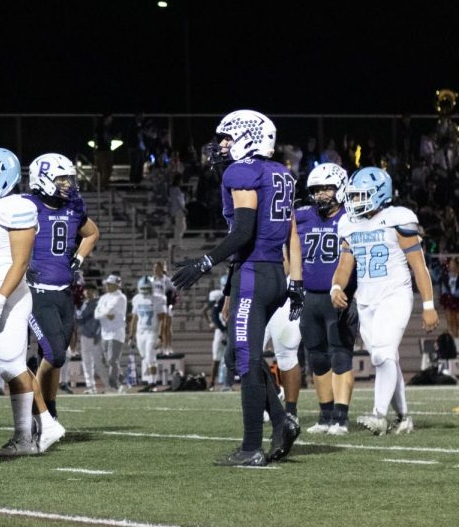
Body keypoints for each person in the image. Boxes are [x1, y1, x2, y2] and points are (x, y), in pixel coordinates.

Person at [172, 109, 304, 467]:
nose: (222, 146)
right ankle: (281, 421)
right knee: (237, 355)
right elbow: (276, 232)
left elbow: (243, 233)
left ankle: (250, 448)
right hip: (271, 273)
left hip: (255, 273)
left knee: (245, 360)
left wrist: (203, 263)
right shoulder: (281, 173)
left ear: (248, 137)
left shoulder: (242, 171)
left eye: (227, 138)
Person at [0, 148, 61, 455]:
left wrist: (1, 297)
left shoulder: (14, 207)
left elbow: (19, 263)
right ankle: (37, 428)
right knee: (9, 366)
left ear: (2, 180)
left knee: (12, 365)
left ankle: (33, 432)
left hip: (8, 295)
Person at [332, 167, 438, 435]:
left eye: (360, 195)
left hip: (395, 295)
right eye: (353, 196)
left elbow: (419, 266)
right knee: (386, 357)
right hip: (366, 300)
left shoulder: (397, 219)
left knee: (382, 354)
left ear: (379, 194)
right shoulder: (350, 224)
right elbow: (346, 264)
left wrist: (428, 305)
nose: (355, 201)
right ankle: (404, 418)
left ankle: (379, 414)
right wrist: (336, 286)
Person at [22, 153, 100, 438]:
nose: (67, 184)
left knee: (55, 356)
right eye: (61, 178)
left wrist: (78, 259)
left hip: (64, 293)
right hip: (37, 292)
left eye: (68, 178)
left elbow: (92, 233)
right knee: (54, 355)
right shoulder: (26, 206)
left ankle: (50, 411)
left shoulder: (72, 207)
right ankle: (37, 414)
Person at [294, 163, 354, 435]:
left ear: (341, 187)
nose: (321, 194)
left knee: (340, 355)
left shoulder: (352, 218)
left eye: (327, 188)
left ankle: (341, 417)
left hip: (339, 297)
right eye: (317, 189)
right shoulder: (304, 216)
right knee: (317, 358)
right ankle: (326, 414)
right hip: (310, 297)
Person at [94, 274, 127, 393]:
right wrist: (105, 313)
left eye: (109, 284)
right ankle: (122, 379)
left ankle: (114, 385)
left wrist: (104, 312)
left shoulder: (120, 297)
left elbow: (109, 311)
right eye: (106, 284)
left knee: (112, 360)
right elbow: (96, 314)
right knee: (109, 361)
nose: (107, 286)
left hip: (116, 332)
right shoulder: (103, 298)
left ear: (116, 285)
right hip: (105, 332)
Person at [128, 277, 163, 387]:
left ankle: (153, 382)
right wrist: (131, 336)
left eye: (148, 288)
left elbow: (162, 320)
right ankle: (149, 381)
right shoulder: (137, 299)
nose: (145, 291)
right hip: (140, 333)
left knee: (150, 357)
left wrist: (160, 336)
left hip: (152, 332)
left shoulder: (157, 299)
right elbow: (134, 319)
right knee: (144, 357)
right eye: (143, 288)